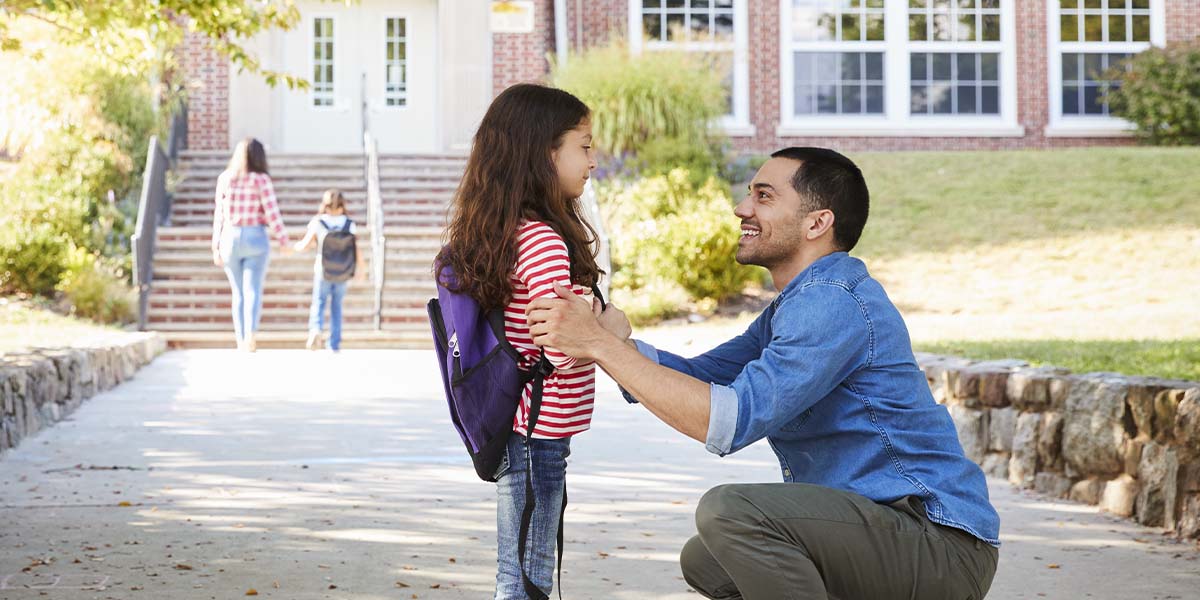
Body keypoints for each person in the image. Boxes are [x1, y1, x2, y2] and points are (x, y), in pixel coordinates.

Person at [526, 147, 1001, 599]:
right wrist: (618, 345)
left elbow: (727, 421)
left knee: (731, 513)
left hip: (937, 542)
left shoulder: (832, 301)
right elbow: (703, 377)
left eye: (763, 196)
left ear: (818, 222)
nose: (741, 208)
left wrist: (601, 346)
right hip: (888, 533)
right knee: (708, 557)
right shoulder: (797, 304)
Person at [434, 83, 601, 599]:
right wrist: (604, 332)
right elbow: (560, 345)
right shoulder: (546, 241)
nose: (594, 159)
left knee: (522, 570)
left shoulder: (511, 230)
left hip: (523, 425)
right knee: (527, 578)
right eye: (585, 145)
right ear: (544, 154)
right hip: (539, 431)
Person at [212, 137, 289, 352]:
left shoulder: (225, 178)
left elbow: (219, 215)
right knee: (253, 289)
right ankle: (250, 336)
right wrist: (283, 239)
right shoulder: (261, 180)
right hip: (255, 236)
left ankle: (240, 339)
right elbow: (272, 213)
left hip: (229, 237)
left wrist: (215, 246)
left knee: (238, 293)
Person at [293, 189, 365, 352]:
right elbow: (356, 249)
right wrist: (362, 268)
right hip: (343, 271)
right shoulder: (348, 223)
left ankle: (315, 330)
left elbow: (305, 244)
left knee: (318, 302)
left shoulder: (318, 222)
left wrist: (294, 247)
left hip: (323, 269)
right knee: (337, 306)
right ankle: (334, 343)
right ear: (342, 205)